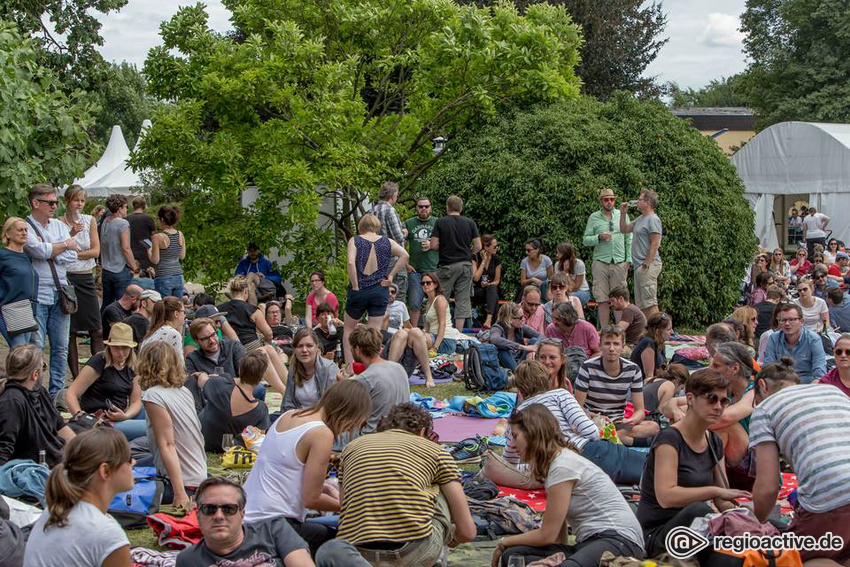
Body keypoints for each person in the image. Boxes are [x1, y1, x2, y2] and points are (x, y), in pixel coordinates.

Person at [314, 403, 476, 567]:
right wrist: (451, 536)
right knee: (440, 486)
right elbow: (468, 532)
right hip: (414, 554)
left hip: (359, 554)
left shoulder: (351, 448)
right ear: (422, 432)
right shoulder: (436, 452)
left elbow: (346, 507)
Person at [493, 404, 645, 567]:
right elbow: (558, 537)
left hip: (619, 541)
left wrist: (505, 541)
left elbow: (547, 535)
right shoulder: (554, 465)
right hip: (589, 542)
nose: (512, 445)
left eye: (515, 436)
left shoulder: (562, 467)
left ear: (532, 434)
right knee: (513, 556)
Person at [245, 381, 371, 555]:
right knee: (342, 545)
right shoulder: (321, 434)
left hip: (247, 513)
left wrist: (328, 490)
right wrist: (348, 507)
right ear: (348, 413)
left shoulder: (288, 415)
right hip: (272, 523)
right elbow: (311, 499)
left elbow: (285, 471)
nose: (349, 429)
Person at [636, 369, 751, 558]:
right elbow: (667, 496)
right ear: (690, 398)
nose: (718, 407)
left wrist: (746, 517)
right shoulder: (669, 439)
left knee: (740, 551)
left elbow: (723, 499)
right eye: (712, 399)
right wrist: (713, 492)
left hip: (696, 529)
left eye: (724, 401)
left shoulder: (713, 440)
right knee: (700, 510)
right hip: (659, 533)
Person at [749, 359, 850, 565]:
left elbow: (768, 488)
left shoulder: (764, 409)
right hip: (837, 494)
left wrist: (752, 523)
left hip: (831, 494)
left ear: (762, 386)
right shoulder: (832, 391)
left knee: (791, 560)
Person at [501, 360, 646, 486]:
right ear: (546, 379)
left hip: (558, 471)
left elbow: (508, 463)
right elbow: (592, 432)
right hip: (589, 452)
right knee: (654, 468)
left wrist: (538, 467)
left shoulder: (515, 418)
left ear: (519, 388)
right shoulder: (559, 395)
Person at [23, 428, 134, 567]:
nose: (134, 462)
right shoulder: (107, 534)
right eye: (128, 459)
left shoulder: (55, 511)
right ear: (105, 470)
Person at [177, 477, 314, 567]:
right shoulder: (188, 560)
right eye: (209, 509)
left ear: (242, 515)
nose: (219, 516)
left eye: (228, 509)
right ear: (198, 515)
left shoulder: (274, 529)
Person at [24, 184, 79, 396]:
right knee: (36, 346)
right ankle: (36, 392)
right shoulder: (26, 226)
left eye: (55, 202)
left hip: (61, 292)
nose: (55, 206)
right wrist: (62, 246)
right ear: (36, 203)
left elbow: (72, 254)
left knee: (61, 346)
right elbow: (36, 250)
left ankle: (57, 393)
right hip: (37, 294)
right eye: (50, 202)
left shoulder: (58, 225)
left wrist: (54, 248)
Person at [139, 341, 207, 507]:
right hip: (199, 474)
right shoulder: (184, 391)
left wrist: (179, 494)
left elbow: (168, 445)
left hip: (183, 483)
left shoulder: (153, 396)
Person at [575, 326, 658, 446]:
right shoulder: (587, 367)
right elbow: (578, 407)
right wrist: (596, 417)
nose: (612, 349)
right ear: (600, 345)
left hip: (618, 422)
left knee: (653, 427)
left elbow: (640, 411)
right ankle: (623, 439)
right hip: (593, 420)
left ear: (622, 347)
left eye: (616, 344)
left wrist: (631, 420)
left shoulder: (633, 369)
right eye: (607, 343)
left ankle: (610, 437)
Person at [343, 213, 409, 364]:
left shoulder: (355, 240)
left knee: (349, 329)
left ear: (361, 227)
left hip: (359, 289)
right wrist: (391, 276)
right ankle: (371, 365)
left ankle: (349, 367)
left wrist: (355, 285)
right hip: (379, 290)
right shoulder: (387, 241)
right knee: (374, 332)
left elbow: (351, 263)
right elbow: (405, 255)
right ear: (376, 227)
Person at [66, 323, 146, 441]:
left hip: (120, 415)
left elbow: (136, 401)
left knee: (155, 412)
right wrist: (82, 418)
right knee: (152, 428)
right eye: (116, 347)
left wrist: (126, 416)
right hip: (101, 421)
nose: (121, 352)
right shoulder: (99, 361)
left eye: (124, 348)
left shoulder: (133, 366)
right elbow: (71, 393)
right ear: (109, 346)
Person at [0, 344, 75, 466]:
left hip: (57, 461)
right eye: (43, 367)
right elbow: (4, 449)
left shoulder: (40, 392)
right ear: (35, 374)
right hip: (34, 472)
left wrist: (84, 450)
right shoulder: (11, 401)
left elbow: (59, 425)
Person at [60, 185, 103, 372]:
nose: (79, 204)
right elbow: (57, 250)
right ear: (67, 201)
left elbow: (95, 251)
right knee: (71, 330)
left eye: (82, 200)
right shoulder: (58, 223)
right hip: (67, 278)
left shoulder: (89, 220)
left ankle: (97, 373)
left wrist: (74, 254)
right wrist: (70, 237)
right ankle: (76, 377)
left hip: (86, 278)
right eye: (76, 200)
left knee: (97, 329)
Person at [200, 350, 270, 453]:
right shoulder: (261, 410)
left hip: (203, 441)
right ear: (262, 376)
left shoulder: (220, 385)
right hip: (229, 448)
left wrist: (202, 374)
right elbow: (258, 439)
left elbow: (202, 381)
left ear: (240, 369)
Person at [429, 195, 482, 331]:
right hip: (465, 265)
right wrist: (468, 251)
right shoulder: (470, 223)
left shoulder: (441, 222)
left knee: (441, 298)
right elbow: (478, 246)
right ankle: (458, 333)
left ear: (447, 207)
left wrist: (445, 245)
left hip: (447, 265)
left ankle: (440, 330)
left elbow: (433, 245)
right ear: (461, 208)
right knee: (463, 300)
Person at [347, 325, 409, 435]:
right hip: (403, 432)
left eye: (351, 348)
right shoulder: (398, 368)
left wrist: (343, 386)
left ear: (357, 349)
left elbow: (353, 416)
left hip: (374, 437)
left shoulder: (365, 378)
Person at [583, 187, 631, 327]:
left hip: (619, 262)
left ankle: (619, 331)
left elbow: (629, 237)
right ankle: (604, 331)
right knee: (602, 298)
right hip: (600, 262)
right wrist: (598, 237)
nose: (609, 202)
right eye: (606, 199)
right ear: (601, 201)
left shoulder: (622, 214)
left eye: (612, 199)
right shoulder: (594, 217)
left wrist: (629, 260)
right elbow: (585, 240)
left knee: (620, 299)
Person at [620, 188, 662, 318]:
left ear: (648, 202)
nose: (637, 201)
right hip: (639, 266)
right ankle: (647, 331)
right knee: (642, 303)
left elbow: (655, 243)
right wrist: (623, 213)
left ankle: (657, 330)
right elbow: (624, 229)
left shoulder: (653, 219)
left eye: (640, 199)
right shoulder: (641, 218)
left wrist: (646, 264)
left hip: (648, 265)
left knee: (650, 302)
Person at [763, 302, 826, 383]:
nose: (787, 323)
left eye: (792, 319)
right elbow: (768, 368)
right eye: (783, 320)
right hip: (781, 384)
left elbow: (820, 374)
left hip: (806, 385)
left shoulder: (813, 339)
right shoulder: (774, 338)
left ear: (802, 322)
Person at [0, 217, 38, 347]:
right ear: (8, 233)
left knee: (25, 355)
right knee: (20, 353)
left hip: (27, 311)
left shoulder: (26, 256)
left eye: (26, 230)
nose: (24, 233)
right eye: (20, 230)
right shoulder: (3, 255)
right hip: (9, 310)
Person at [282, 328, 340, 411]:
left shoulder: (329, 369)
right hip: (298, 416)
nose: (304, 350)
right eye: (300, 346)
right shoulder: (294, 368)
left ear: (316, 347)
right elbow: (288, 403)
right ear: (294, 349)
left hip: (321, 418)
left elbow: (332, 406)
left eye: (309, 346)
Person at [403, 196, 439, 328]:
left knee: (435, 302)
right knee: (414, 303)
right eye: (420, 206)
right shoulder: (408, 223)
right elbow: (402, 245)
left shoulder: (437, 222)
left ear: (431, 208)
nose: (423, 208)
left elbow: (447, 244)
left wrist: (432, 244)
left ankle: (432, 331)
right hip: (415, 270)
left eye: (426, 206)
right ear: (416, 208)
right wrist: (406, 264)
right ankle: (414, 332)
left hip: (433, 269)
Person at [100, 194, 140, 310]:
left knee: (107, 302)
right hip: (120, 268)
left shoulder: (105, 221)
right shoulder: (123, 223)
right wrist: (134, 267)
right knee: (123, 303)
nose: (127, 209)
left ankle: (104, 326)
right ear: (120, 208)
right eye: (125, 207)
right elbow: (126, 248)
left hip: (106, 268)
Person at [370, 181, 408, 303]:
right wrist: (405, 232)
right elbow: (398, 237)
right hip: (394, 260)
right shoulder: (389, 210)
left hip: (377, 260)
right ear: (392, 196)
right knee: (397, 295)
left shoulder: (372, 211)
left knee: (381, 296)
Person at [219, 276, 275, 350]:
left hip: (228, 348)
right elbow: (269, 333)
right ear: (246, 291)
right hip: (251, 346)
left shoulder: (219, 309)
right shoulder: (253, 310)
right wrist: (265, 341)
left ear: (231, 292)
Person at [421, 272, 465, 355]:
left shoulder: (439, 300)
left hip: (445, 340)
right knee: (410, 334)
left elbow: (442, 324)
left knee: (416, 337)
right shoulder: (428, 303)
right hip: (432, 337)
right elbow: (426, 327)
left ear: (435, 285)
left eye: (428, 282)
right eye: (422, 283)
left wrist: (435, 348)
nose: (425, 285)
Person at [489, 301, 541, 371]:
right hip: (506, 365)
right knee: (503, 350)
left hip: (520, 361)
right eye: (521, 317)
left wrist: (531, 352)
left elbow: (542, 337)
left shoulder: (520, 327)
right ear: (510, 320)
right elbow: (494, 339)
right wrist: (523, 347)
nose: (524, 319)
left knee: (534, 340)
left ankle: (522, 371)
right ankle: (519, 374)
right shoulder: (497, 327)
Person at [148, 205, 185, 299]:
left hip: (163, 275)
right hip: (178, 275)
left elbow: (155, 260)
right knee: (177, 306)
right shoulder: (180, 234)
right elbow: (182, 256)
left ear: (162, 219)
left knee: (164, 308)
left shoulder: (158, 237)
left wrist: (149, 251)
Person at [141, 297, 186, 363]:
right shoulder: (173, 334)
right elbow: (180, 364)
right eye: (184, 312)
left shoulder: (153, 331)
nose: (185, 315)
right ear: (176, 314)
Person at [629, 312, 671, 380]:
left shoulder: (660, 343)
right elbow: (649, 377)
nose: (672, 332)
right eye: (668, 329)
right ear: (657, 331)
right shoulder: (648, 343)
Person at [471, 234, 501, 329]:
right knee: (494, 297)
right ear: (486, 247)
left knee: (492, 289)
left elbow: (497, 281)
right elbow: (475, 278)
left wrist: (488, 285)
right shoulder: (475, 257)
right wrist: (483, 261)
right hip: (476, 291)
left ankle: (488, 320)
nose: (497, 248)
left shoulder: (496, 259)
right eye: (495, 246)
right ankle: (495, 325)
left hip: (489, 291)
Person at [554, 241, 590, 306]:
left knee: (565, 298)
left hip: (581, 291)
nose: (556, 255)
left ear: (565, 254)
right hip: (564, 292)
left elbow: (575, 287)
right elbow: (558, 283)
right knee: (556, 297)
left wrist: (566, 273)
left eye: (559, 253)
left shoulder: (579, 264)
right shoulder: (557, 265)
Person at [126, 196, 156, 273]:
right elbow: (154, 236)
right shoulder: (148, 218)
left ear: (133, 206)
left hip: (130, 253)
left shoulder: (126, 219)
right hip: (146, 252)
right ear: (144, 205)